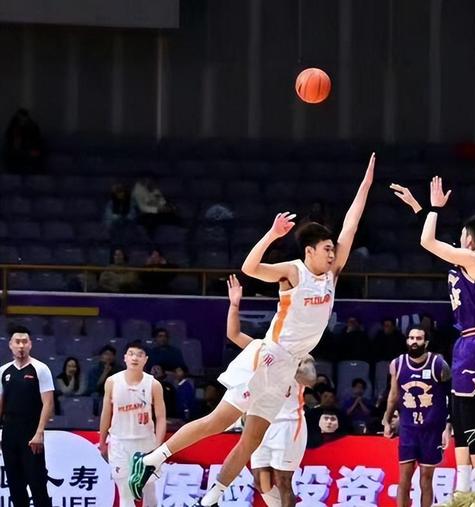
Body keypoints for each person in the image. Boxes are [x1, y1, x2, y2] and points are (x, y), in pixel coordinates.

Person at [127, 153, 375, 505]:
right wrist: (272, 235)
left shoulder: (331, 275)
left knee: (253, 438)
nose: (333, 254)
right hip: (268, 357)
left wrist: (366, 183)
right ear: (310, 251)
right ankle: (152, 459)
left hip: (287, 366)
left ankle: (211, 499)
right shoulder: (293, 271)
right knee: (218, 421)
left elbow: (351, 223)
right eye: (327, 249)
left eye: (334, 249)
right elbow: (250, 267)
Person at [391, 177, 475, 507]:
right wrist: (419, 208)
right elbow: (435, 242)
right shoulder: (469, 259)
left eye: (463, 233)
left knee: (471, 420)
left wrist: (435, 208)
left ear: (471, 238)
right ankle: (464, 490)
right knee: (461, 418)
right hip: (469, 341)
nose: (460, 237)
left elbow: (429, 242)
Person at [382, 326, 451, 507]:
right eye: (411, 338)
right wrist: (387, 420)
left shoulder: (439, 364)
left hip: (432, 429)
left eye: (418, 338)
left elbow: (450, 397)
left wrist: (448, 426)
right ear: (407, 341)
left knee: (426, 479)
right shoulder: (397, 364)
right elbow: (393, 395)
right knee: (404, 477)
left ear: (426, 342)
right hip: (408, 428)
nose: (414, 342)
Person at [99, 341, 166, 507]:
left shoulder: (154, 384)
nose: (135, 358)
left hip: (146, 443)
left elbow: (161, 417)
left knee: (149, 490)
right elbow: (106, 413)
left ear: (146, 359)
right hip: (119, 443)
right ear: (125, 358)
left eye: (139, 354)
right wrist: (102, 442)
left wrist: (158, 447)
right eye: (131, 354)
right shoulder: (112, 382)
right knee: (125, 493)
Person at [0, 326, 54, 507]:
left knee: (37, 482)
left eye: (24, 342)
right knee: (15, 484)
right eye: (17, 342)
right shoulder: (3, 371)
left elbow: (48, 403)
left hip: (31, 433)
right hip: (9, 432)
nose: (21, 345)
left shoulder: (41, 369)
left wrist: (39, 433)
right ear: (10, 345)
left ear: (30, 344)